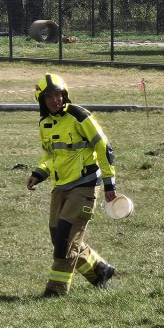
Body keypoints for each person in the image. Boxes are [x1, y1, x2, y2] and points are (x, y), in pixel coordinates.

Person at [26, 73, 119, 297]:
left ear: (64, 94)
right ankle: (99, 270)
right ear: (42, 101)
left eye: (58, 95)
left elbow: (104, 147)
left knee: (65, 239)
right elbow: (50, 155)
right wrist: (39, 173)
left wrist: (109, 184)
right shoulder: (45, 123)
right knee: (59, 237)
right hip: (61, 187)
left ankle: (56, 290)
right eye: (49, 98)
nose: (55, 101)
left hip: (85, 185)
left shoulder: (79, 116)